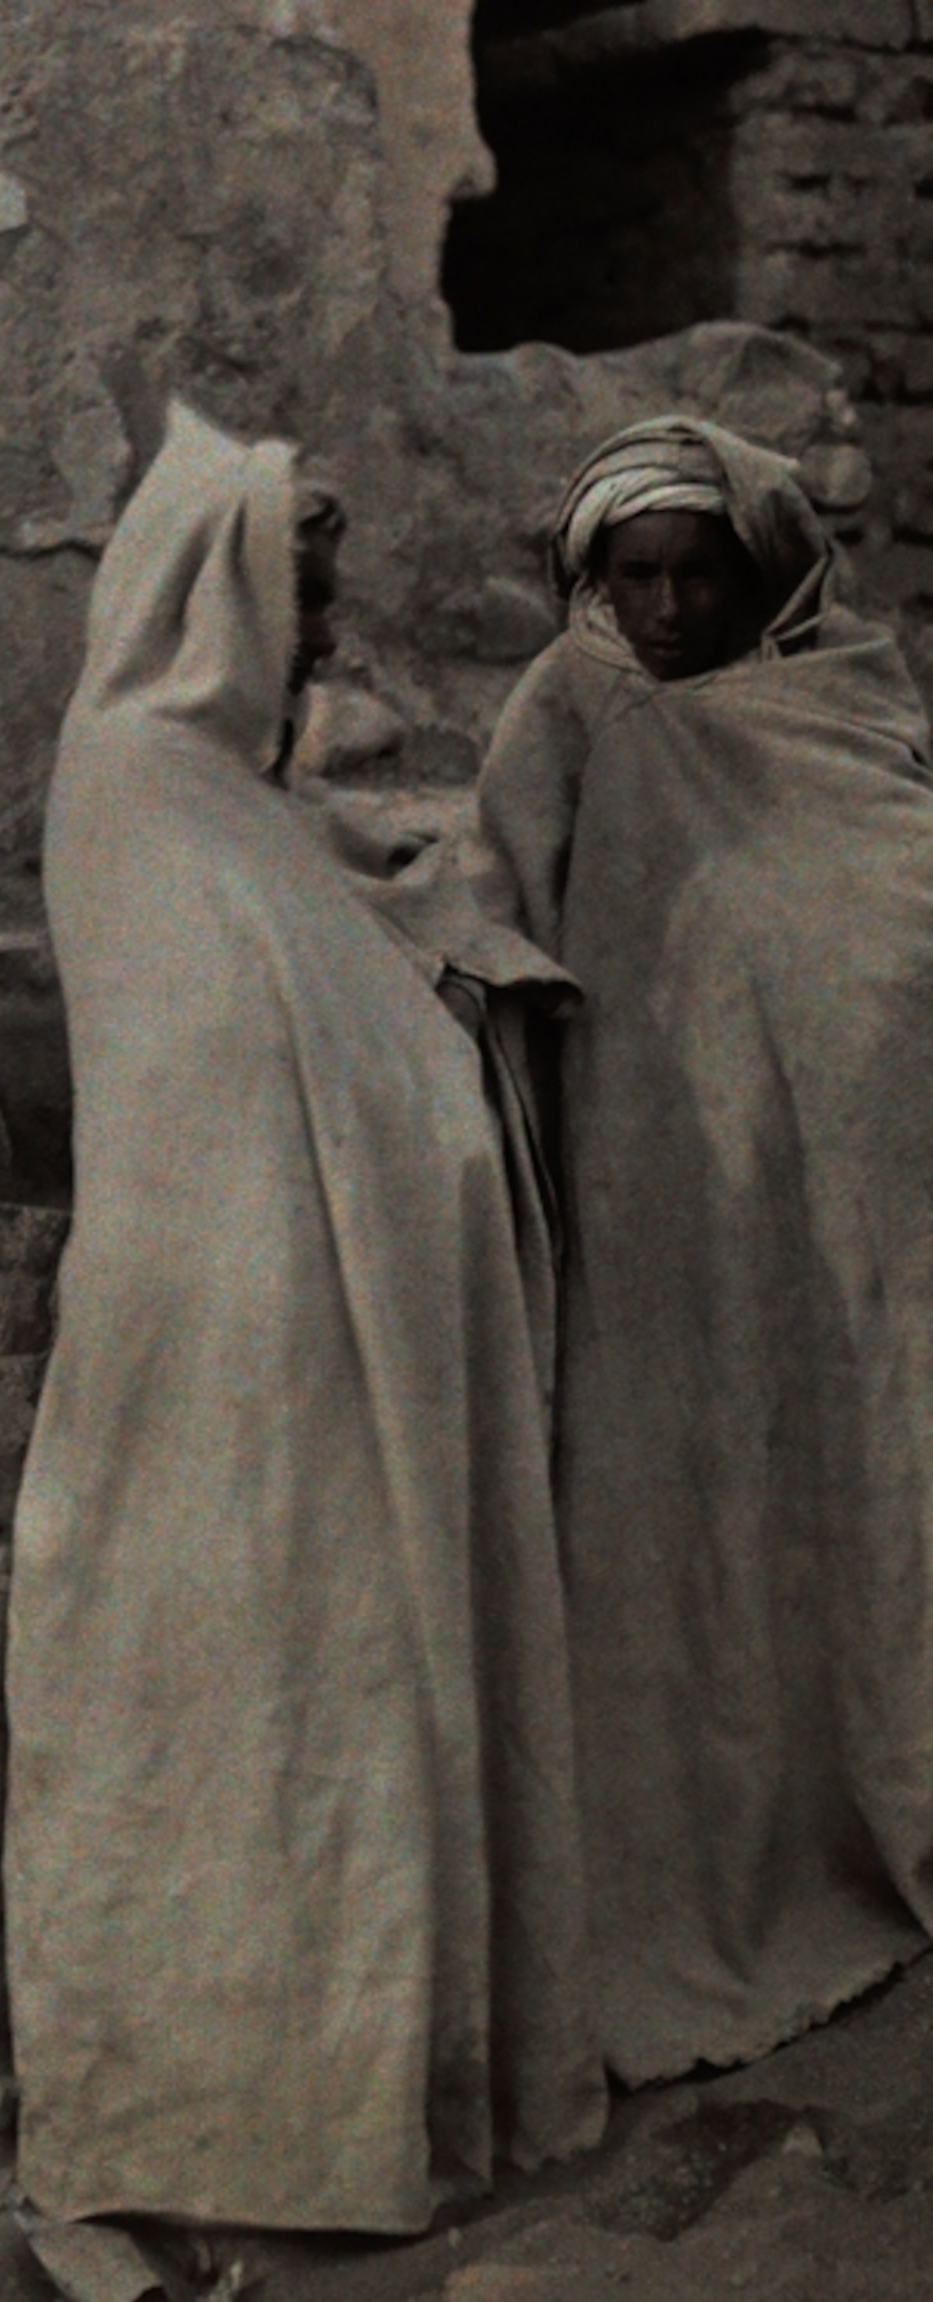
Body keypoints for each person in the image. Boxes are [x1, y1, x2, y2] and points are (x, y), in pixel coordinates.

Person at [3, 404, 606, 2233]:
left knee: (329, 1745)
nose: (326, 636)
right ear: (214, 598)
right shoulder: (129, 785)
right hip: (206, 1374)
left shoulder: (224, 796)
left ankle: (338, 2114)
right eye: (304, 596)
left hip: (310, 1374)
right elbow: (229, 1069)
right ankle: (199, 2129)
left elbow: (308, 954)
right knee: (205, 1745)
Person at [480, 414, 933, 2084]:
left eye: (698, 576)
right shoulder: (572, 706)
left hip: (867, 1204)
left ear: (765, 574)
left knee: (874, 1469)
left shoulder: (846, 705)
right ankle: (739, 1855)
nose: (667, 611)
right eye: (634, 576)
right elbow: (498, 888)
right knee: (705, 1517)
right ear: (591, 583)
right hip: (667, 1192)